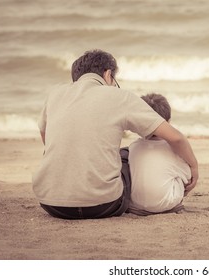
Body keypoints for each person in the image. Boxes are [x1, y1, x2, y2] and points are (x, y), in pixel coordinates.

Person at [32, 49, 198, 219]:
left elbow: (46, 136)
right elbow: (175, 137)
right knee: (126, 155)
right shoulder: (119, 96)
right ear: (108, 74)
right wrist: (194, 166)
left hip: (51, 204)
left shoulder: (54, 94)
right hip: (103, 206)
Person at [128, 93, 192, 216]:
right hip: (165, 205)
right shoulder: (174, 149)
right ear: (168, 122)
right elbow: (188, 178)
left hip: (136, 205)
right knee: (180, 175)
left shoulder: (133, 147)